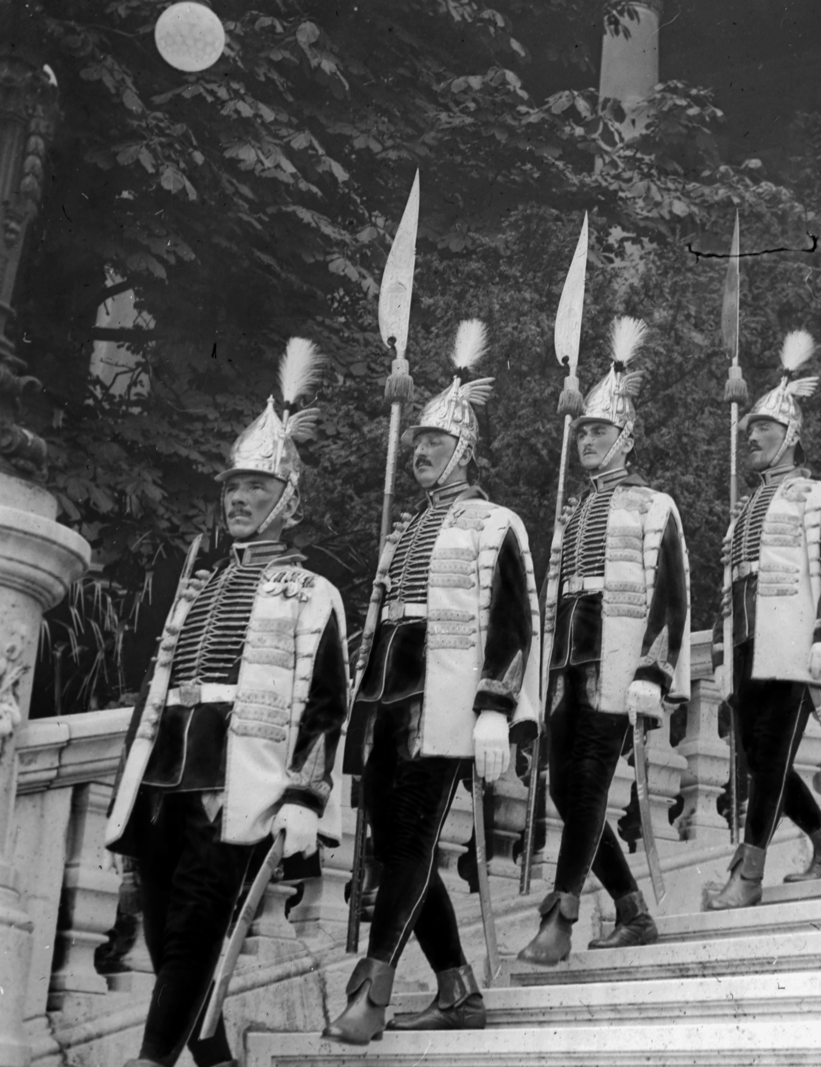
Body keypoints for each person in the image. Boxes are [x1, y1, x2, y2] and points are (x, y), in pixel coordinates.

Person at [104, 340, 348, 1067]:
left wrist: (305, 797)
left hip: (238, 783)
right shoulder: (200, 581)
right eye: (231, 488)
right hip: (162, 782)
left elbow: (328, 706)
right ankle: (213, 1058)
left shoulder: (314, 594)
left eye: (255, 488)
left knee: (193, 933)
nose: (237, 499)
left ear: (287, 499)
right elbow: (157, 687)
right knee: (161, 931)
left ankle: (151, 1060)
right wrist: (128, 779)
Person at [324, 321, 540, 1043]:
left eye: (435, 444)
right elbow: (382, 628)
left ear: (466, 451)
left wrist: (494, 709)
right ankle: (457, 987)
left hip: (443, 709)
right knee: (395, 851)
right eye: (416, 442)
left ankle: (373, 991)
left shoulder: (493, 522)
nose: (419, 451)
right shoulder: (401, 533)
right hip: (386, 706)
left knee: (412, 842)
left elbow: (513, 624)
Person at [516, 318, 690, 963]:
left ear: (627, 439)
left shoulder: (653, 506)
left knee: (587, 785)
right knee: (566, 790)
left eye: (600, 430)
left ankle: (559, 915)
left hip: (616, 669)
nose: (587, 439)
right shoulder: (574, 512)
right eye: (583, 431)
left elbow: (671, 593)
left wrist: (653, 671)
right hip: (566, 667)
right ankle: (631, 908)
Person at [704, 330, 821, 910]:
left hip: (794, 646)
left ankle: (749, 874)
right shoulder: (743, 510)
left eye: (761, 430)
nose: (751, 437)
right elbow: (729, 589)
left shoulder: (816, 495)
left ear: (790, 435)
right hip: (748, 647)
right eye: (748, 432)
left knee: (768, 758)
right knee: (757, 758)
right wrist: (722, 655)